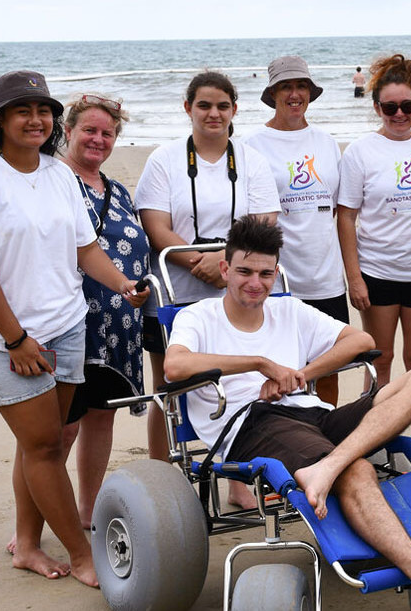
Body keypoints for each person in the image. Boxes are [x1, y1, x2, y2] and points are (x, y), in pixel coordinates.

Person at [163, 216, 411, 610]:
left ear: (276, 273)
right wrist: (260, 363)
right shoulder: (199, 316)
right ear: (225, 269)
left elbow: (361, 340)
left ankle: (328, 466)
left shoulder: (287, 311)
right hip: (253, 421)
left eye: (265, 273)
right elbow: (176, 367)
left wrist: (300, 375)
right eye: (243, 271)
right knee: (358, 469)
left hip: (313, 414)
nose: (255, 283)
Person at [0, 70, 148, 586]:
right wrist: (15, 339)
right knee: (44, 447)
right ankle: (82, 555)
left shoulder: (59, 175)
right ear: (0, 119)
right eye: (23, 111)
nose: (36, 120)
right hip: (4, 337)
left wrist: (123, 285)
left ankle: (28, 545)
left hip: (66, 326)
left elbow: (84, 249)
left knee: (42, 444)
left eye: (43, 111)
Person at [134, 71, 280, 476]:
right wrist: (203, 263)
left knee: (240, 383)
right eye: (204, 105)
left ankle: (238, 477)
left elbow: (265, 221)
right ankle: (162, 476)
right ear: (188, 109)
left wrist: (223, 265)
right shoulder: (164, 159)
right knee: (169, 389)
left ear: (234, 110)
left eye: (222, 106)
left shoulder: (251, 159)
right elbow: (155, 226)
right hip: (175, 291)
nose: (213, 114)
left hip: (235, 290)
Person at [337, 54, 411, 457]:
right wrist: (355, 277)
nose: (399, 114)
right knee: (379, 364)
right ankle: (375, 447)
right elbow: (346, 217)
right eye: (390, 107)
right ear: (376, 107)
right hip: (377, 272)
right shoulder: (360, 152)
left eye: (408, 105)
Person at [59, 93, 150, 528]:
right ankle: (38, 520)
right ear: (68, 131)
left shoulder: (118, 191)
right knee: (60, 430)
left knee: (100, 419)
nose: (98, 139)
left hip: (120, 328)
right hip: (71, 327)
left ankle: (87, 510)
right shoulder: (55, 181)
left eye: (107, 133)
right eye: (89, 131)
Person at [244, 56, 347, 405]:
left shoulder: (327, 142)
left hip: (327, 279)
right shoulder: (252, 145)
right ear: (272, 93)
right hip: (280, 281)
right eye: (286, 86)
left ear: (310, 93)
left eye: (301, 86)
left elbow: (335, 209)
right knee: (280, 375)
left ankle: (329, 438)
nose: (294, 94)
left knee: (327, 371)